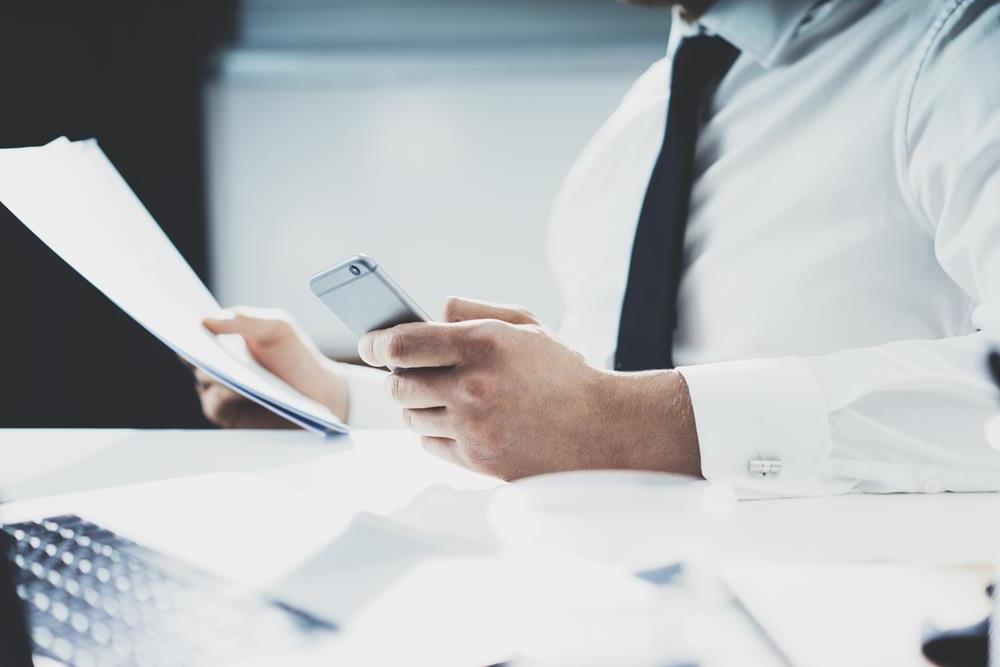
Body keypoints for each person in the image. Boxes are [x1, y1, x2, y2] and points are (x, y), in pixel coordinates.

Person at [193, 0, 1000, 497]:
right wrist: (337, 402)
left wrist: (627, 422)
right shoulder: (638, 127)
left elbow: (618, 418)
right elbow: (586, 414)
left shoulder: (964, 47)